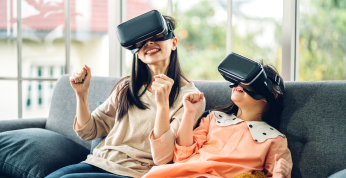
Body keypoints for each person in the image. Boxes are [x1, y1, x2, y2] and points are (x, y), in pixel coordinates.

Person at [46, 15, 205, 178]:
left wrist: (162, 105)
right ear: (137, 52)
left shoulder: (190, 98)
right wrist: (82, 94)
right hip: (97, 162)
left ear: (173, 43)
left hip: (135, 172)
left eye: (156, 36)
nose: (149, 43)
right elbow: (88, 131)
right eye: (141, 40)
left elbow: (164, 157)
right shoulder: (126, 87)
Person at [143, 63, 293, 178]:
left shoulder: (275, 139)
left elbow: (275, 173)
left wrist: (280, 174)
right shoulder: (214, 118)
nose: (239, 83)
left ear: (271, 95)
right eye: (239, 79)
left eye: (249, 81)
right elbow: (181, 156)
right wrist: (189, 113)